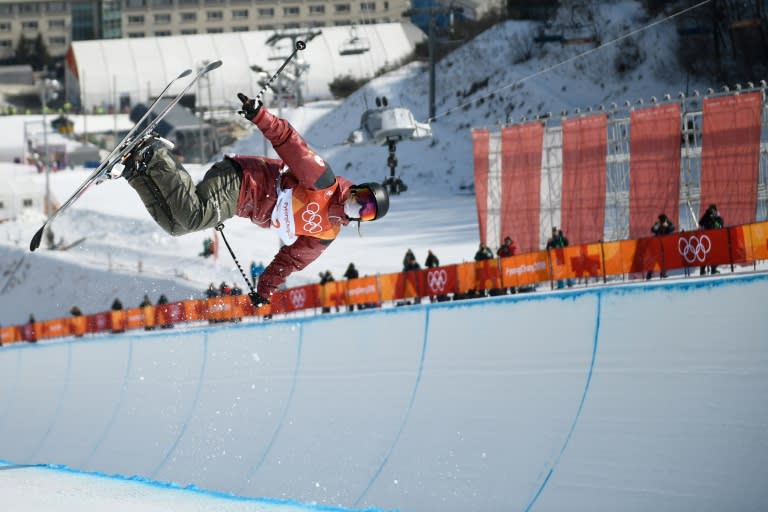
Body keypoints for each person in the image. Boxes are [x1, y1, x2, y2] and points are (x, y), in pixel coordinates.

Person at [119, 92, 390, 308]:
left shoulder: (325, 234)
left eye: (366, 212)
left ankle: (137, 171)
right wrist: (260, 116)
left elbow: (290, 261)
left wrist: (265, 290)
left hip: (239, 202)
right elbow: (290, 143)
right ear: (357, 190)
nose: (359, 207)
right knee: (195, 215)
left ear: (362, 221)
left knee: (176, 226)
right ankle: (153, 154)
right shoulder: (323, 182)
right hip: (243, 179)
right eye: (363, 199)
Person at [647, 213, 675, 280]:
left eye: (663, 220)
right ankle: (649, 274)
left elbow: (672, 229)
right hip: (657, 244)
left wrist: (667, 226)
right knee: (654, 259)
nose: (662, 221)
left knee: (665, 259)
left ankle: (663, 273)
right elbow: (653, 230)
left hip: (665, 244)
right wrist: (658, 226)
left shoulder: (668, 223)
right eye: (660, 220)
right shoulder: (658, 224)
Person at [699, 203, 724, 275]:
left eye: (713, 210)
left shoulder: (718, 218)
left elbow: (720, 226)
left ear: (716, 211)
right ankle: (702, 270)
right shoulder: (707, 216)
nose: (712, 212)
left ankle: (713, 269)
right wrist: (706, 215)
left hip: (715, 239)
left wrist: (713, 219)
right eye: (710, 210)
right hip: (706, 239)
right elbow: (700, 223)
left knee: (715, 254)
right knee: (704, 254)